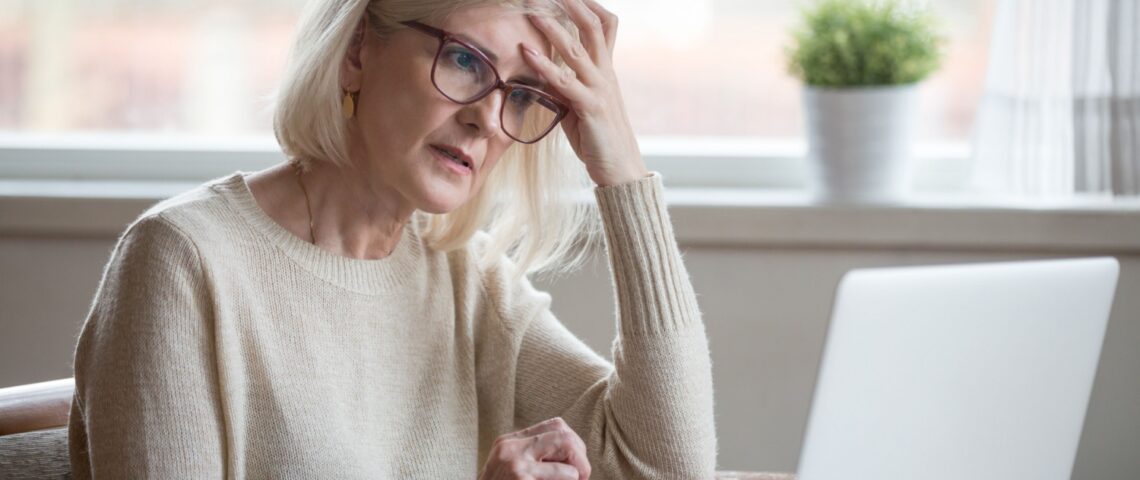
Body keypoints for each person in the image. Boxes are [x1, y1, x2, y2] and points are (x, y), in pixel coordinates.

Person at [67, 0, 716, 478]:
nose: (487, 118)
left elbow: (662, 463)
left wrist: (621, 168)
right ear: (356, 52)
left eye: (521, 96)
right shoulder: (182, 261)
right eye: (465, 61)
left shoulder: (469, 282)